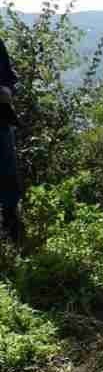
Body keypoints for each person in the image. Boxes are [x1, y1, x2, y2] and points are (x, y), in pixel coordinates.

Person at [0, 36, 20, 245]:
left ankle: (13, 242)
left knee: (9, 183)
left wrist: (9, 90)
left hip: (1, 124)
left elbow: (12, 78)